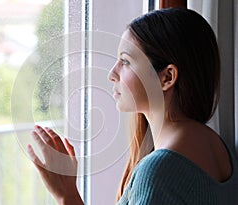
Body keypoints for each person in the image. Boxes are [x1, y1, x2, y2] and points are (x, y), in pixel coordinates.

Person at [26, 8, 238, 204]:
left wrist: (67, 195)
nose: (112, 74)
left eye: (125, 61)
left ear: (167, 77)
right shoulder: (218, 147)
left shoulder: (159, 171)